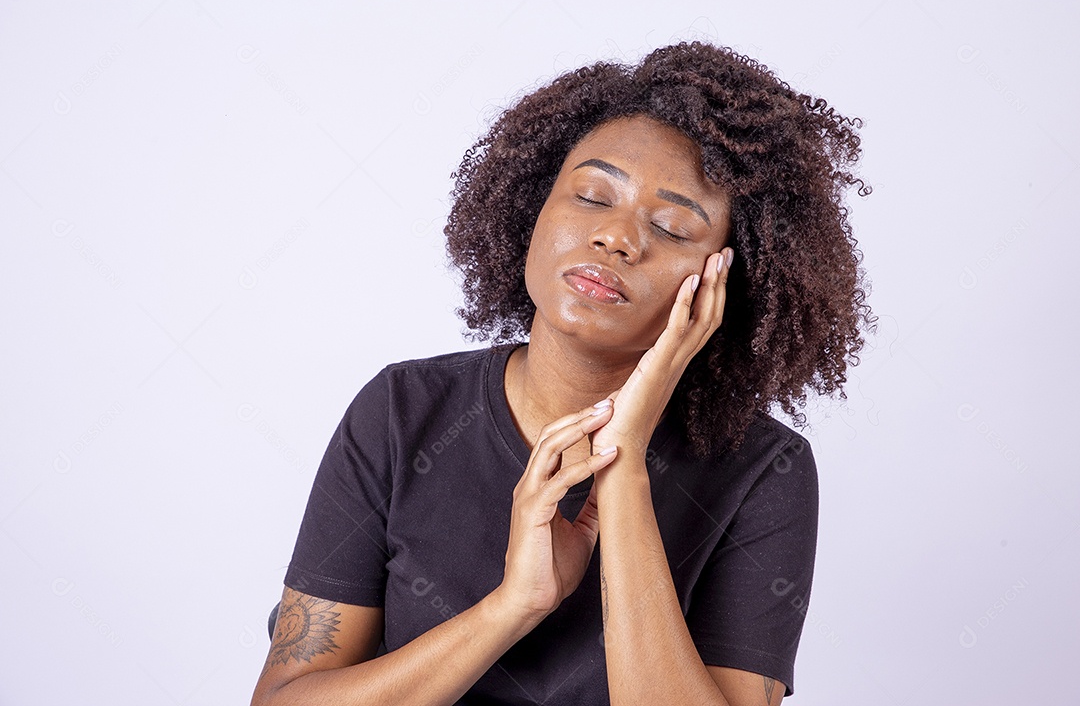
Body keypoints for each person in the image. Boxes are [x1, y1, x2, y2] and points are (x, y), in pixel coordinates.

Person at [250, 40, 873, 706]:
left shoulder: (762, 472)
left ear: (726, 281)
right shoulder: (403, 413)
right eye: (592, 197)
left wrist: (625, 465)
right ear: (531, 208)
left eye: (670, 225)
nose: (619, 239)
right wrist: (513, 606)